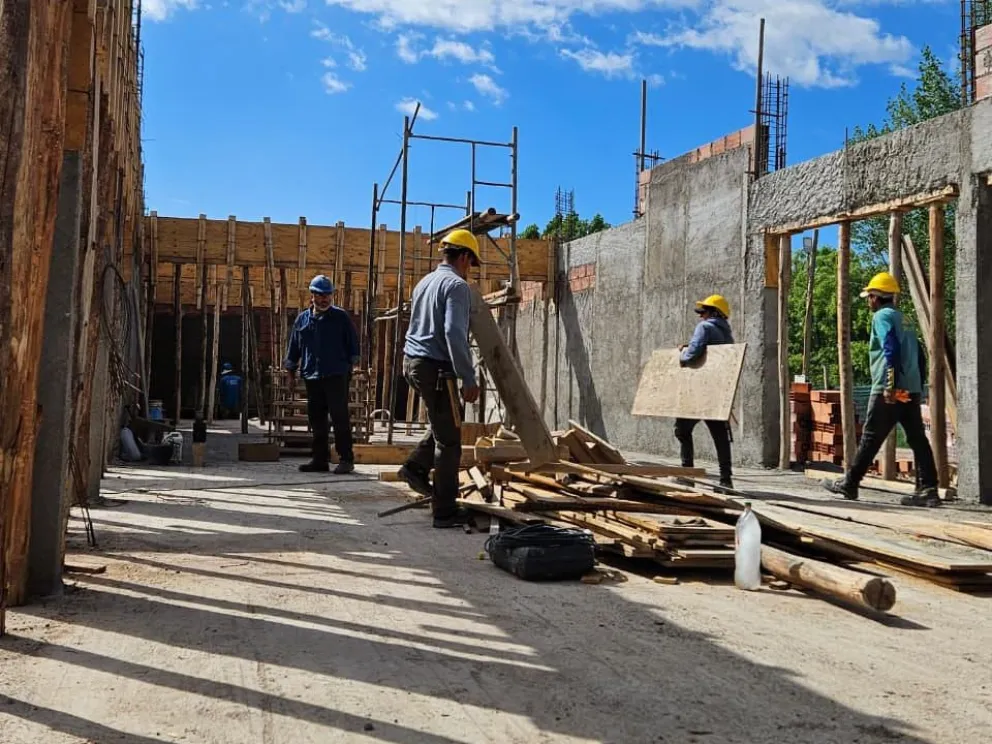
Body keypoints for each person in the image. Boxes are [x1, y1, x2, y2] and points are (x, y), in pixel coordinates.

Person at [822, 271, 940, 507]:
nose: (868, 301)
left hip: (892, 389)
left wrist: (890, 384)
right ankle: (928, 489)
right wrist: (916, 385)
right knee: (916, 437)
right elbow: (918, 354)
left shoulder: (882, 317)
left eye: (869, 297)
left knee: (871, 436)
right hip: (910, 389)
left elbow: (890, 349)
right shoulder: (904, 318)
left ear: (876, 297)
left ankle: (850, 483)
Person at [398, 228, 481, 528]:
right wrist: (468, 377)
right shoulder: (456, 286)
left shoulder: (425, 282)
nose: (470, 270)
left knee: (443, 421)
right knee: (450, 441)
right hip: (435, 368)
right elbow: (453, 333)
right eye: (471, 262)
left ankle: (415, 467)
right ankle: (444, 512)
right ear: (463, 256)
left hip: (413, 363)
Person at [284, 274, 360, 474]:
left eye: (328, 295)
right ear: (313, 296)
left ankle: (346, 459)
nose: (325, 299)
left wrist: (350, 367)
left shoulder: (341, 317)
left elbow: (353, 345)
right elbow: (294, 348)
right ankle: (319, 460)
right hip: (312, 377)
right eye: (321, 295)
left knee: (339, 417)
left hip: (336, 375)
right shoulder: (303, 319)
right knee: (317, 420)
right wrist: (291, 373)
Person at [674, 294, 735, 491]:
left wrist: (682, 354)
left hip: (699, 390)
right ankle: (725, 480)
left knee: (682, 429)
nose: (701, 316)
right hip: (717, 390)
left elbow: (694, 353)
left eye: (704, 312)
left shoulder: (705, 327)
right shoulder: (728, 334)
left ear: (714, 312)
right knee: (719, 435)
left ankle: (687, 474)